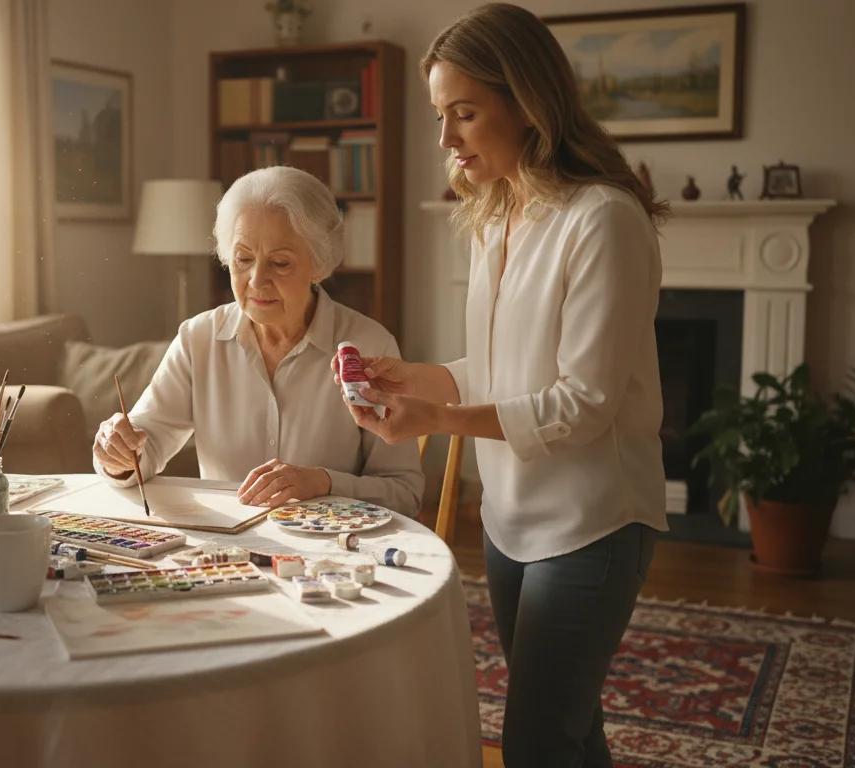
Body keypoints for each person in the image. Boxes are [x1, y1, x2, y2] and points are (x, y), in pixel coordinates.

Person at [337, 4, 669, 765]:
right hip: (511, 521)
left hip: (592, 523)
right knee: (568, 727)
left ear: (528, 104)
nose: (446, 139)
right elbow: (495, 371)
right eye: (439, 115)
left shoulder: (603, 220)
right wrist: (410, 378)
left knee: (534, 741)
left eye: (464, 113)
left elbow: (583, 404)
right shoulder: (496, 216)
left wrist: (437, 420)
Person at [95, 165, 423, 517]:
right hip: (226, 554)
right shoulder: (198, 339)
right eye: (243, 259)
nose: (256, 280)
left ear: (319, 263)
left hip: (333, 555)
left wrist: (325, 483)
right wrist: (119, 454)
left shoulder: (369, 345)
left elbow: (404, 493)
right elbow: (146, 442)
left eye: (280, 263)